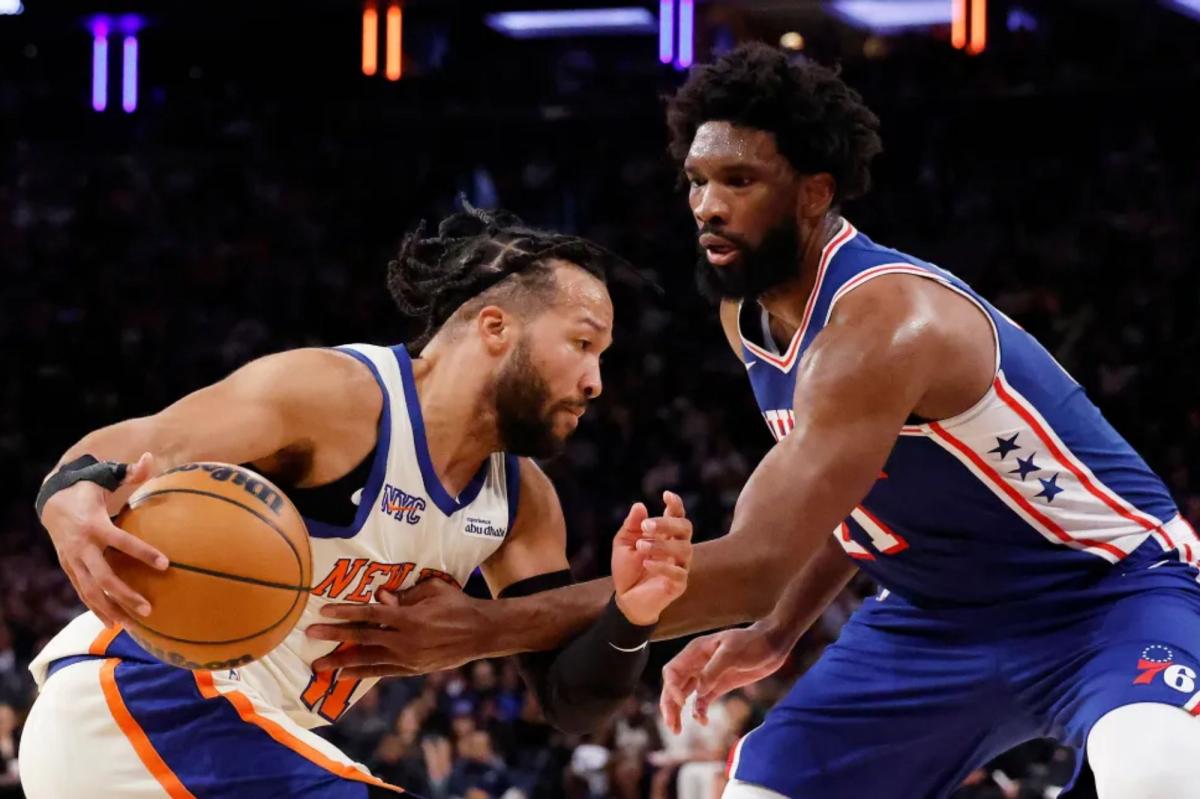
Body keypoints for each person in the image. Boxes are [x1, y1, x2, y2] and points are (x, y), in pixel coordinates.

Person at [310, 45, 1200, 799]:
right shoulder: (747, 316)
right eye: (698, 180)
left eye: (739, 180)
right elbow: (849, 499)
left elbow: (750, 567)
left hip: (1108, 594)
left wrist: (480, 630)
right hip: (935, 617)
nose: (707, 204)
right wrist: (777, 632)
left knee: (1158, 774)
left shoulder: (887, 324)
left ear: (814, 193)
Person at [18, 207, 695, 798]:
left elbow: (568, 702)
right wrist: (70, 492)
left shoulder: (522, 504)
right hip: (140, 698)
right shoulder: (339, 398)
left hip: (241, 745)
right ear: (496, 327)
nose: (596, 381)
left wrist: (631, 613)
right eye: (582, 343)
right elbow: (138, 446)